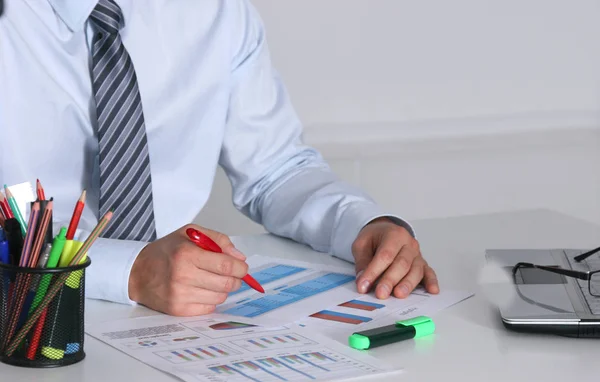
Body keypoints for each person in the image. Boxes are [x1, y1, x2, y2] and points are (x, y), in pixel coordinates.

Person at [0, 0, 439, 316]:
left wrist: (362, 225)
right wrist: (129, 272)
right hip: (25, 322)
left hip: (174, 325)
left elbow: (275, 170)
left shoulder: (216, 11)